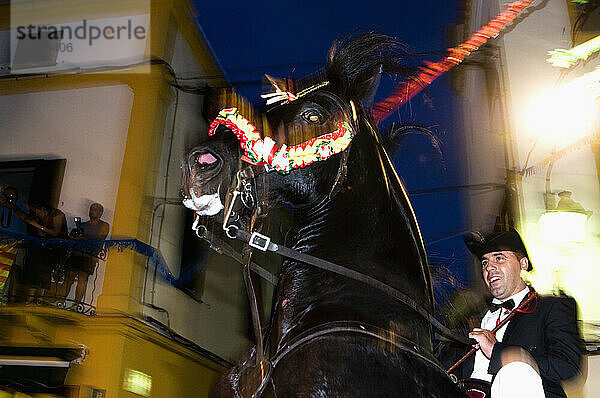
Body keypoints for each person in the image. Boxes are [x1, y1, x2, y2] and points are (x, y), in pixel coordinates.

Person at [460, 229, 583, 398]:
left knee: (515, 371)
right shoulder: (474, 319)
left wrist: (498, 351)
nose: (489, 267)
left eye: (499, 258)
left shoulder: (552, 307)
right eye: (484, 263)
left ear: (523, 264)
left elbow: (567, 366)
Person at [62, 203, 109, 304]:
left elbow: (100, 238)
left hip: (89, 254)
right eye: (91, 209)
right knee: (69, 276)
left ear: (101, 213)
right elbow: (74, 237)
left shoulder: (104, 225)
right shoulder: (82, 225)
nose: (92, 211)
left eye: (95, 209)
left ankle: (76, 303)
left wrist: (84, 239)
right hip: (77, 253)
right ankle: (61, 300)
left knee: (82, 278)